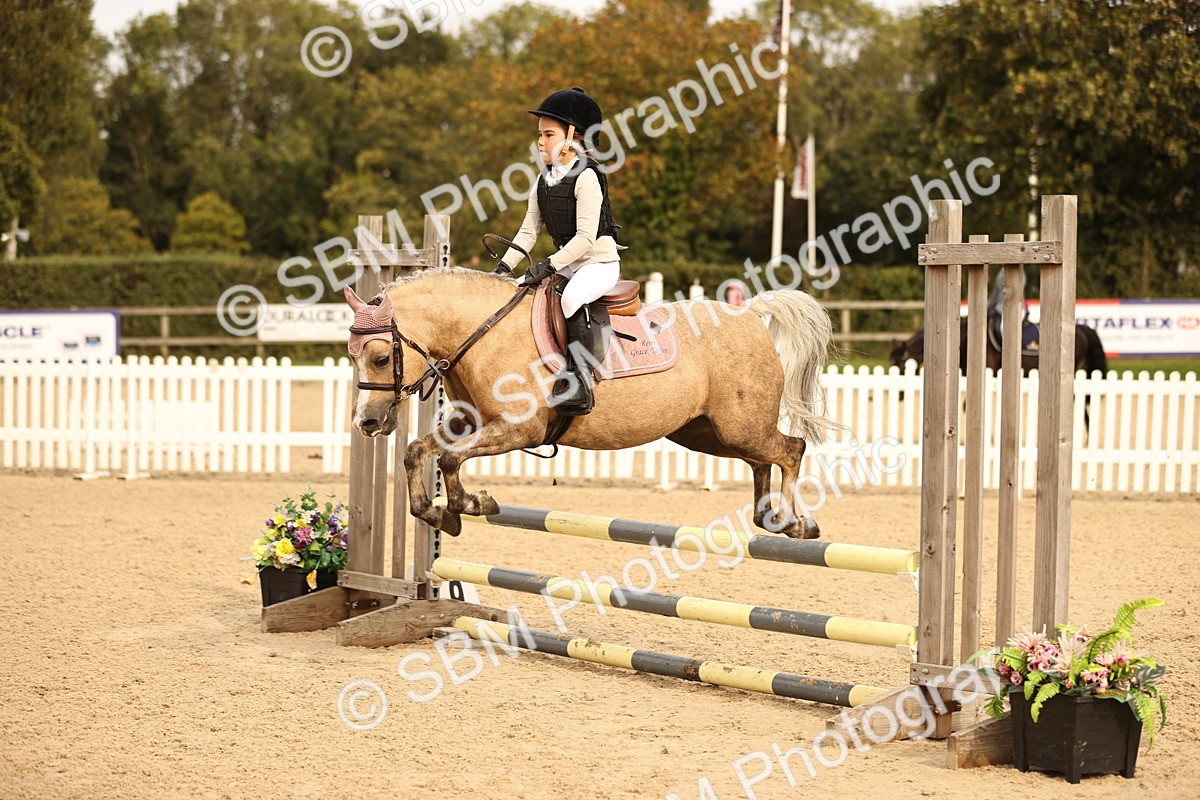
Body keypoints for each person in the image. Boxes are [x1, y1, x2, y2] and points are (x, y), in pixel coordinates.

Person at [493, 87, 622, 416]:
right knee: (519, 294)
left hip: (598, 263)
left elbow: (585, 240)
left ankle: (580, 381)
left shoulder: (588, 176)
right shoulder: (542, 180)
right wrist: (504, 269)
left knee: (569, 298)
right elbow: (528, 230)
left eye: (548, 134)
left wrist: (547, 266)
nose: (540, 142)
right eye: (540, 135)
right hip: (566, 263)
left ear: (573, 136)